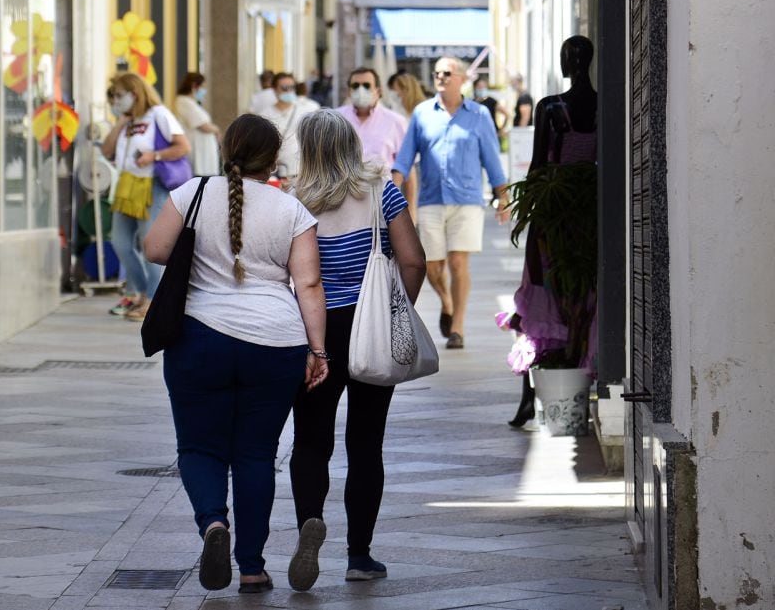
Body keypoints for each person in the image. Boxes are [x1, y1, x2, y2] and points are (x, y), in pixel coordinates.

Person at [144, 114, 328, 594]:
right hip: (276, 342)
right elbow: (308, 282)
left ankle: (212, 525)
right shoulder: (291, 210)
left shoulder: (193, 193)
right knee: (255, 454)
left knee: (199, 447)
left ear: (227, 149)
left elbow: (154, 248)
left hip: (200, 337)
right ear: (272, 159)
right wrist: (318, 350)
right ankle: (251, 567)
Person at [288, 109, 426, 591]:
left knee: (309, 440)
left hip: (314, 336)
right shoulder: (380, 193)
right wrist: (395, 312)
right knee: (366, 443)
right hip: (369, 331)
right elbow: (412, 260)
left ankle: (309, 522)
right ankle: (360, 556)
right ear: (351, 144)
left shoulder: (294, 199)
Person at [500, 36, 598, 427]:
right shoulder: (605, 103)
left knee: (540, 297)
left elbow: (539, 164)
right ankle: (577, 397)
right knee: (583, 297)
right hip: (589, 212)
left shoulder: (551, 106)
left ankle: (529, 398)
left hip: (553, 212)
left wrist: (528, 208)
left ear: (567, 61)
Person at [391, 56, 509, 350]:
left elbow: (492, 158)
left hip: (466, 199)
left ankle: (457, 326)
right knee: (431, 266)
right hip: (432, 198)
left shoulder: (479, 115)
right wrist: (392, 186)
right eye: (437, 73)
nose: (441, 77)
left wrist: (502, 195)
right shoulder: (422, 114)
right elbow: (405, 157)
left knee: (458, 262)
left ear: (461, 79)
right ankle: (446, 302)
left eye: (447, 73)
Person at [101, 73, 191, 321]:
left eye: (120, 95)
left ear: (135, 93)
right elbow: (106, 150)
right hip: (126, 185)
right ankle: (142, 291)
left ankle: (153, 299)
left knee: (151, 244)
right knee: (120, 241)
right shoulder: (128, 121)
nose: (116, 101)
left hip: (152, 184)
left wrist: (154, 156)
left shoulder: (159, 114)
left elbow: (182, 146)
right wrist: (121, 122)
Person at [336, 67, 408, 172]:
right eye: (355, 86)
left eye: (366, 85)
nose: (361, 90)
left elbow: (405, 166)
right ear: (349, 92)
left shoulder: (396, 122)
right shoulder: (335, 119)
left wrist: (395, 187)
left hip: (382, 187)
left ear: (378, 91)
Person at [260, 72, 308, 185]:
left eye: (292, 87)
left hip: (300, 172)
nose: (289, 91)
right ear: (274, 89)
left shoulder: (305, 111)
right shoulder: (264, 114)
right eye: (284, 87)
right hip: (274, 173)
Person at [174, 72, 221, 177]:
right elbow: (203, 126)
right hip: (198, 157)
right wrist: (216, 129)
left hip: (205, 156)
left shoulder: (193, 103)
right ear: (194, 86)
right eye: (203, 87)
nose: (204, 91)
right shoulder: (183, 101)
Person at [474, 75, 511, 154]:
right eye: (479, 87)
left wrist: (501, 129)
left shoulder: (491, 101)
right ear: (475, 88)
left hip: (492, 135)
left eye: (483, 87)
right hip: (477, 136)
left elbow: (507, 114)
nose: (481, 89)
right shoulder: (472, 103)